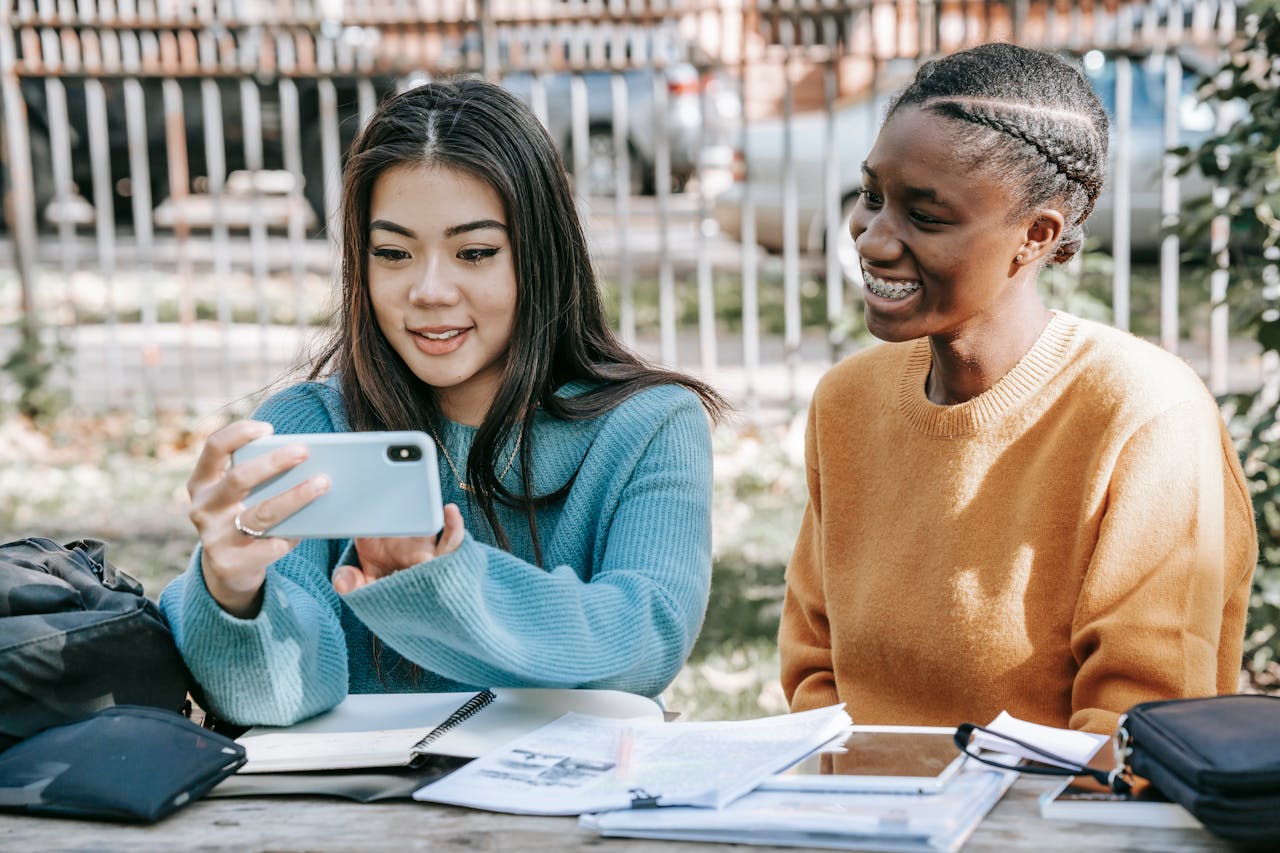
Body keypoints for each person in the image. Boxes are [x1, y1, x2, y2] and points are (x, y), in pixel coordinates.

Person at [159, 78, 727, 726]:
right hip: (348, 822)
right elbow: (280, 694)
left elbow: (643, 641)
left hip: (571, 811)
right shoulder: (307, 428)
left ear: (541, 255)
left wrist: (447, 581)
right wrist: (232, 592)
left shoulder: (651, 426)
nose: (429, 290)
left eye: (475, 252)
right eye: (394, 253)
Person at [779, 43, 1257, 736]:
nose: (873, 240)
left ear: (1035, 236)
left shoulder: (1146, 413)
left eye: (926, 216)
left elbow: (1139, 724)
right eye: (872, 197)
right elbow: (813, 670)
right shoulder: (847, 399)